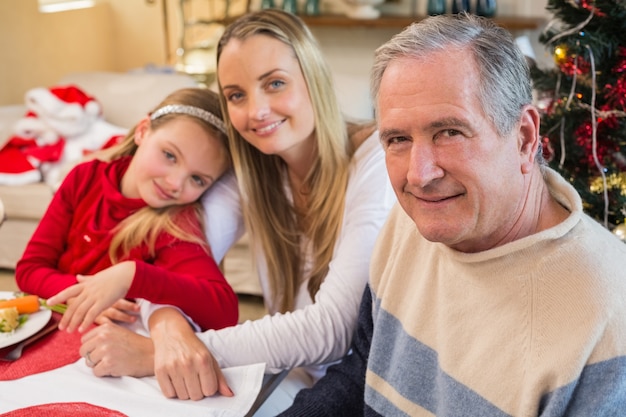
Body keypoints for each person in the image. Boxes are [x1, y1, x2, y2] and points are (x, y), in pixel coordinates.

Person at [280, 13, 626, 416]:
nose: (419, 175)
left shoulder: (607, 323)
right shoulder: (410, 223)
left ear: (525, 137)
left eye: (449, 132)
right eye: (398, 139)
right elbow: (362, 374)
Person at [75, 8, 397, 412]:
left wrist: (152, 352)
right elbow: (180, 252)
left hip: (359, 384)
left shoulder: (376, 162)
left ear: (314, 79)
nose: (256, 111)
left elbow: (332, 329)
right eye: (236, 96)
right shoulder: (255, 169)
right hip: (288, 370)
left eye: (275, 83)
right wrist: (168, 327)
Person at [16, 88, 239, 336]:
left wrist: (133, 276)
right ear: (143, 131)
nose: (176, 183)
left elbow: (224, 311)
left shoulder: (174, 224)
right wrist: (87, 297)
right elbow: (29, 270)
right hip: (49, 328)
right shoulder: (84, 177)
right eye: (169, 155)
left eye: (197, 179)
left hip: (99, 349)